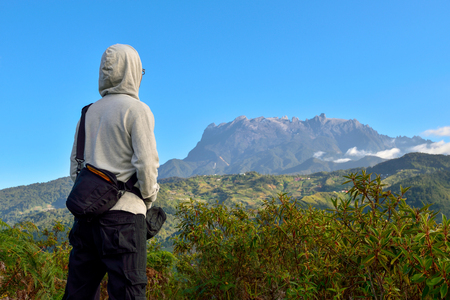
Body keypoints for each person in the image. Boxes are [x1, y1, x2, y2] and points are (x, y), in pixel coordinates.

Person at [62, 44, 160, 300]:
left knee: (78, 294)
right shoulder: (136, 110)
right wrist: (147, 200)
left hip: (86, 220)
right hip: (125, 223)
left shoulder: (87, 113)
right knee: (128, 294)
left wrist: (95, 196)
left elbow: (76, 167)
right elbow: (147, 164)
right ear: (132, 72)